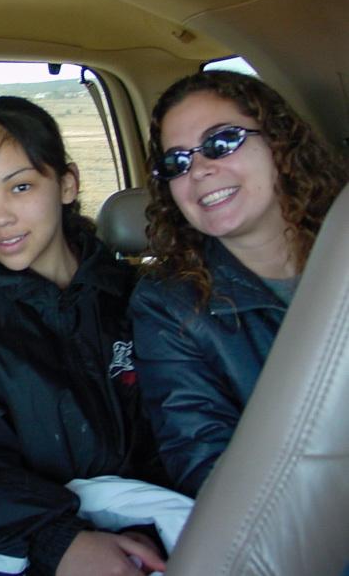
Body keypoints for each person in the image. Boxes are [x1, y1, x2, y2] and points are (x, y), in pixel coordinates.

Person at [0, 96, 168, 576]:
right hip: (17, 552)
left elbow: (175, 433)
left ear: (67, 183)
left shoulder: (138, 300)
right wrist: (59, 542)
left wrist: (145, 531)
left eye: (19, 187)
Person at [129, 70, 349, 498]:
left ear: (278, 142)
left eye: (221, 142)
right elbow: (209, 469)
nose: (199, 170)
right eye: (177, 162)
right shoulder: (171, 306)